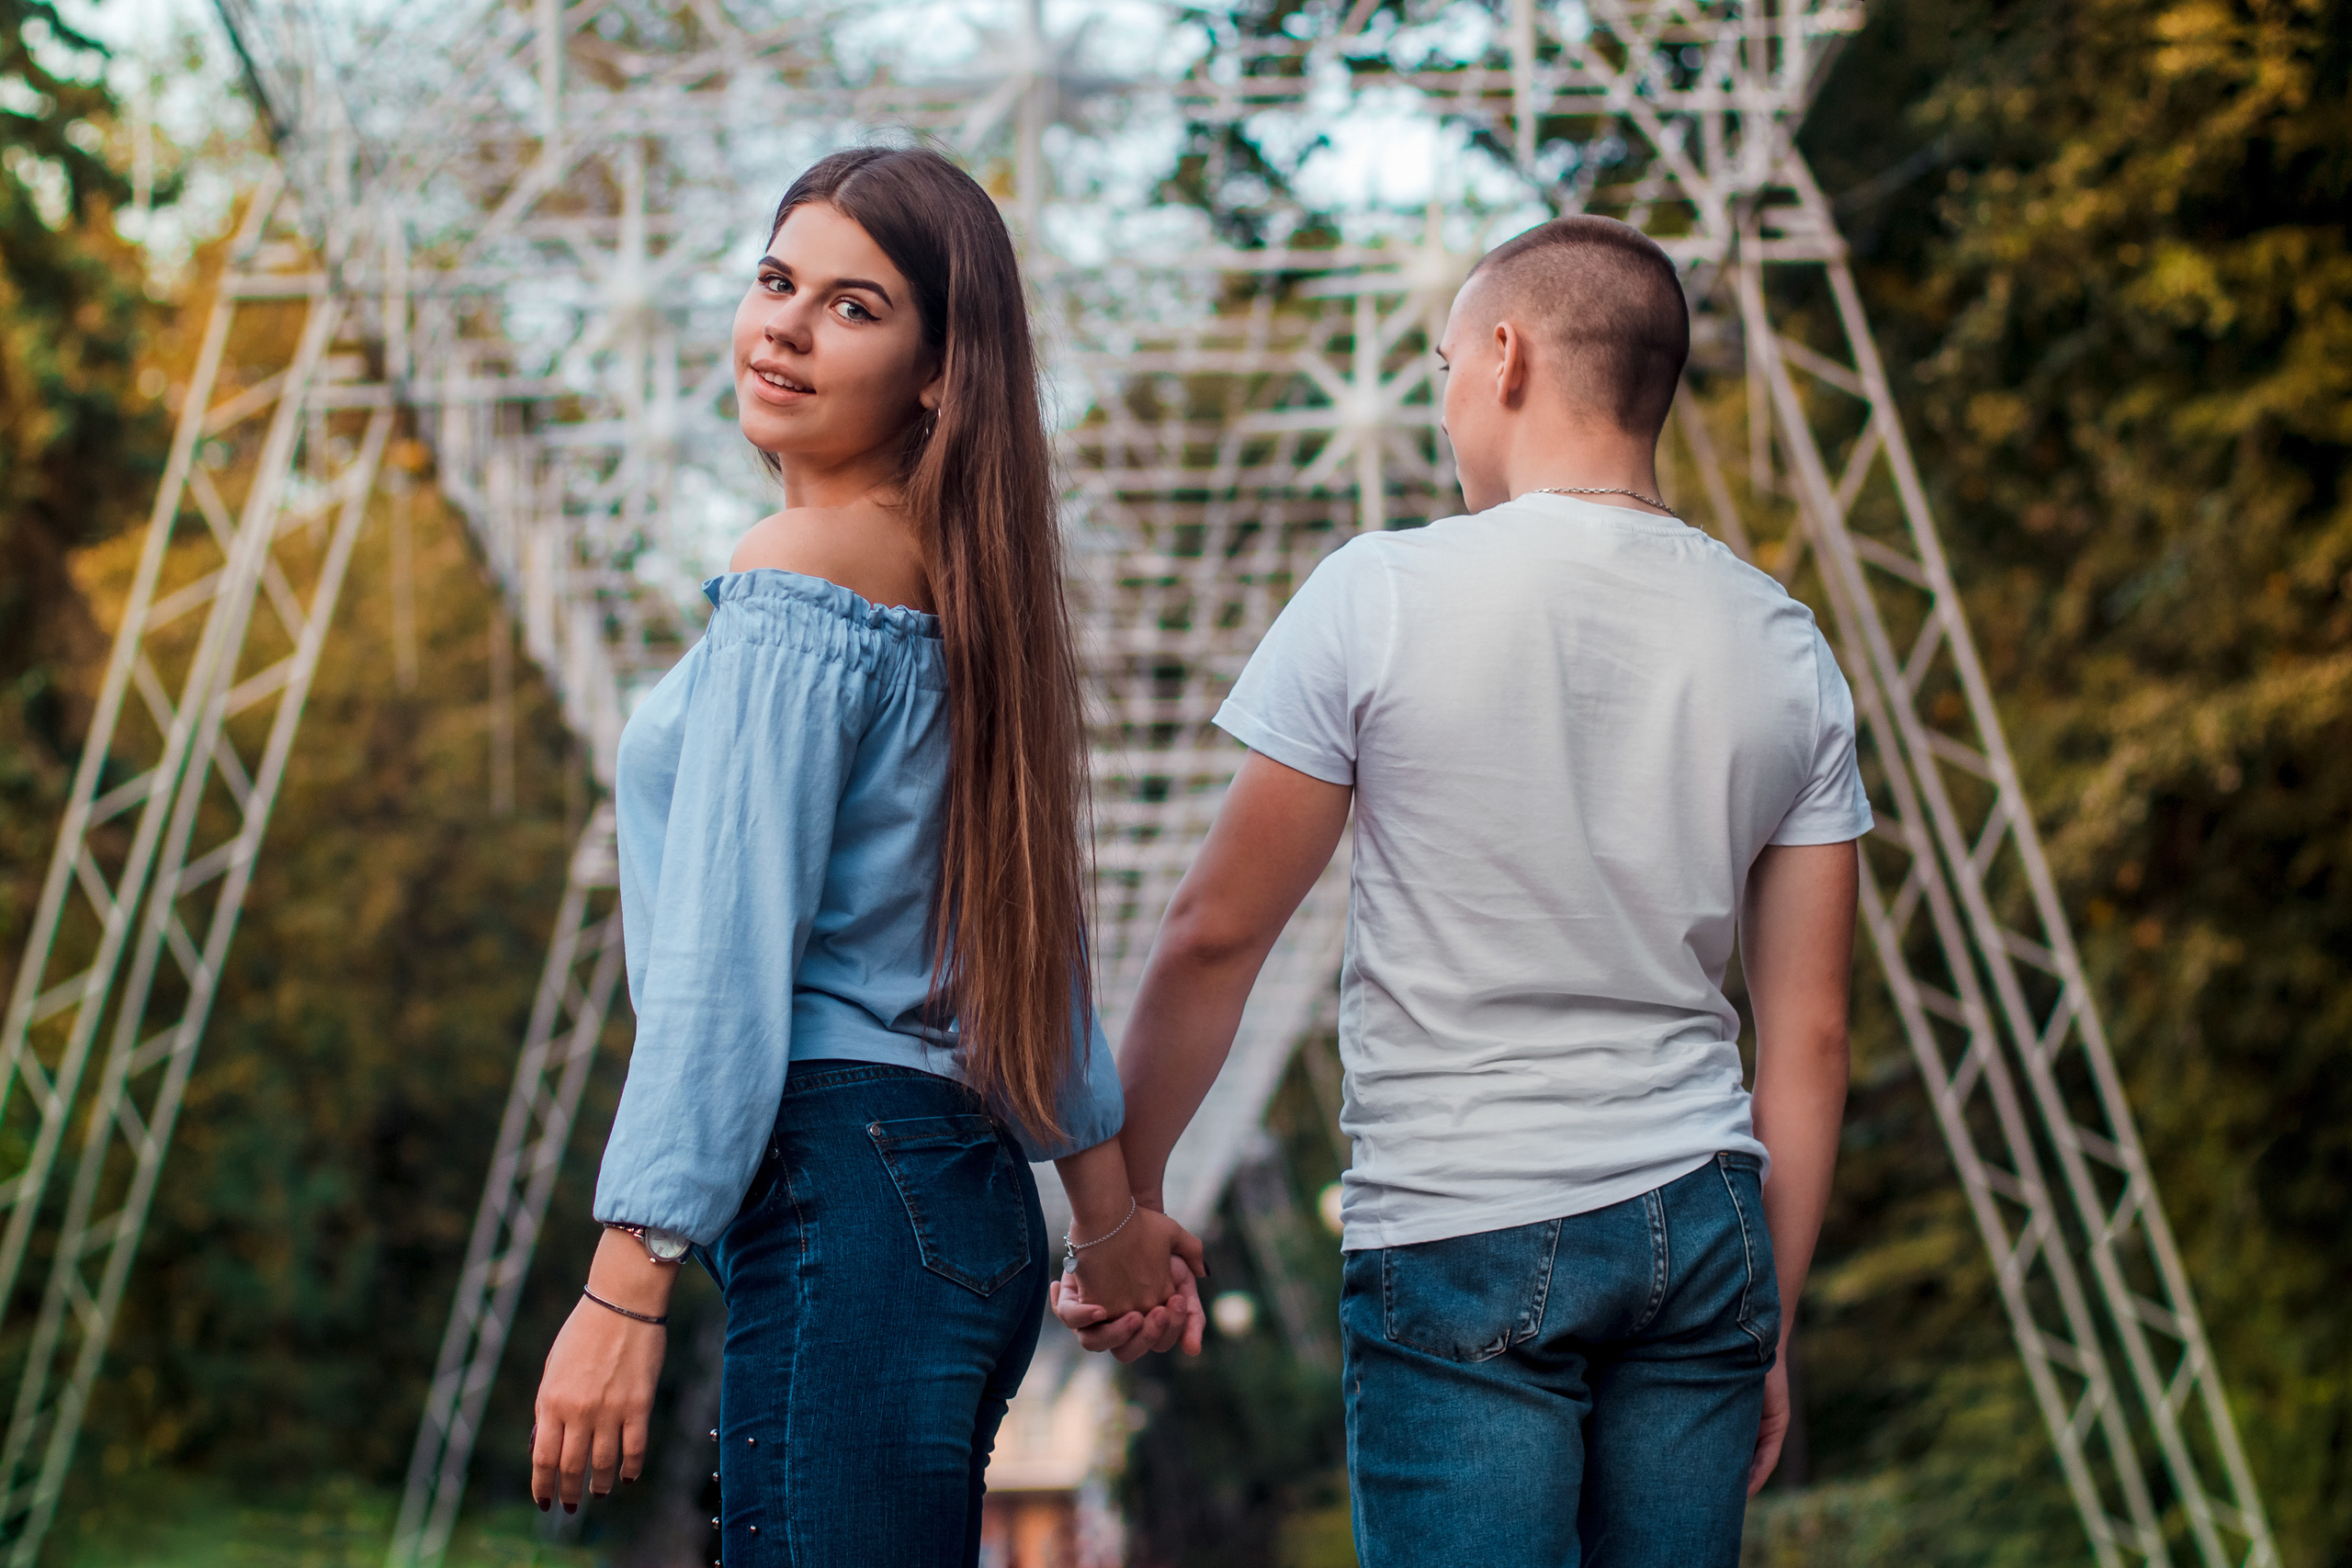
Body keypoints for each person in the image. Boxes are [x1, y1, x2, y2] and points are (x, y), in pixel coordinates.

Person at [1054, 215, 1871, 1566]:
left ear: (1505, 358)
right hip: (1702, 1224)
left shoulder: (1381, 595)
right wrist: (1759, 1322)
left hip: (1463, 1218)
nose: (1443, 407)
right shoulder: (1784, 645)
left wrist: (1123, 1218)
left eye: (1440, 367)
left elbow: (1217, 936)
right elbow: (1811, 1036)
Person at [526, 146, 1204, 1566]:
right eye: (776, 282)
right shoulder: (962, 593)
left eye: (851, 305)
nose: (781, 324)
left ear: (941, 374)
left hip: (847, 1179)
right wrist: (1108, 1216)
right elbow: (1026, 950)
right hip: (950, 1204)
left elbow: (726, 955)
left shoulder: (806, 570)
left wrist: (620, 1287)